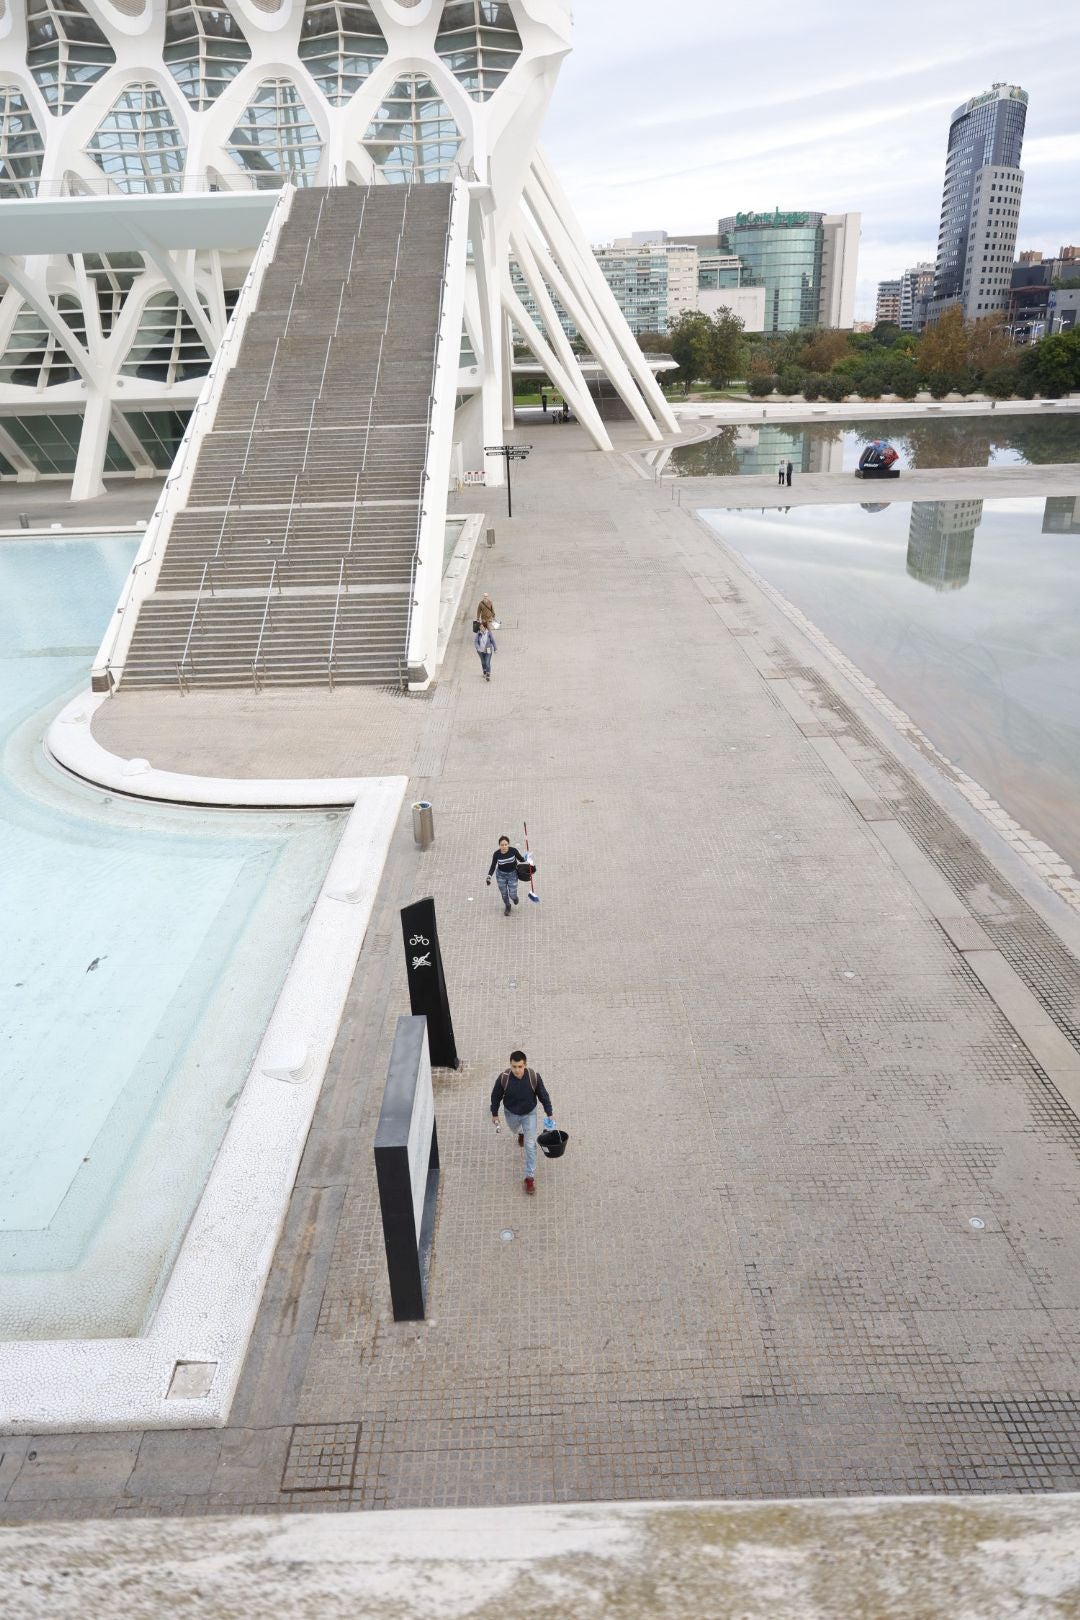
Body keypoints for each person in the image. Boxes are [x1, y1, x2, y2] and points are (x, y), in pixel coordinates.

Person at [491, 1049, 555, 1194]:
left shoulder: (534, 1077)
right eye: (514, 1066)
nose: (517, 1070)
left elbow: (543, 1095)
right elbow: (495, 1096)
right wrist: (494, 1113)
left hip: (529, 1114)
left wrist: (549, 1113)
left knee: (530, 1145)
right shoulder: (504, 1078)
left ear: (525, 1065)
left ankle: (529, 1177)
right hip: (511, 1114)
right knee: (515, 1129)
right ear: (510, 1065)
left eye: (520, 1066)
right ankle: (520, 1133)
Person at [487, 834, 527, 913]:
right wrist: (489, 877)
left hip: (512, 875)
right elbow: (493, 866)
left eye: (506, 844)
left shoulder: (513, 851)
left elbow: (521, 859)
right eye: (502, 845)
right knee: (504, 893)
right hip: (501, 876)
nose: (504, 846)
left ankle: (515, 898)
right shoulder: (496, 854)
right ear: (499, 845)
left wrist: (527, 858)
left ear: (508, 844)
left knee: (512, 894)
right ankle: (507, 906)